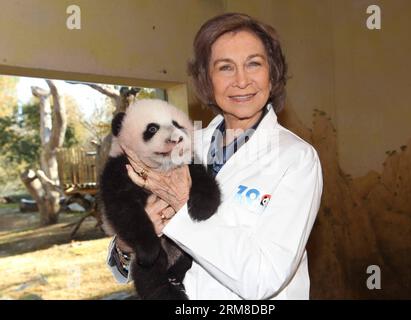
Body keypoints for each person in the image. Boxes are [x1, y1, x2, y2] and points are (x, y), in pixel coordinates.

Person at [107, 12, 323, 300]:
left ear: (273, 73)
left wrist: (183, 204)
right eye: (225, 68)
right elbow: (132, 221)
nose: (242, 80)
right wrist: (126, 242)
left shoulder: (296, 160)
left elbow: (263, 280)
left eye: (254, 64)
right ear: (207, 80)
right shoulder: (180, 144)